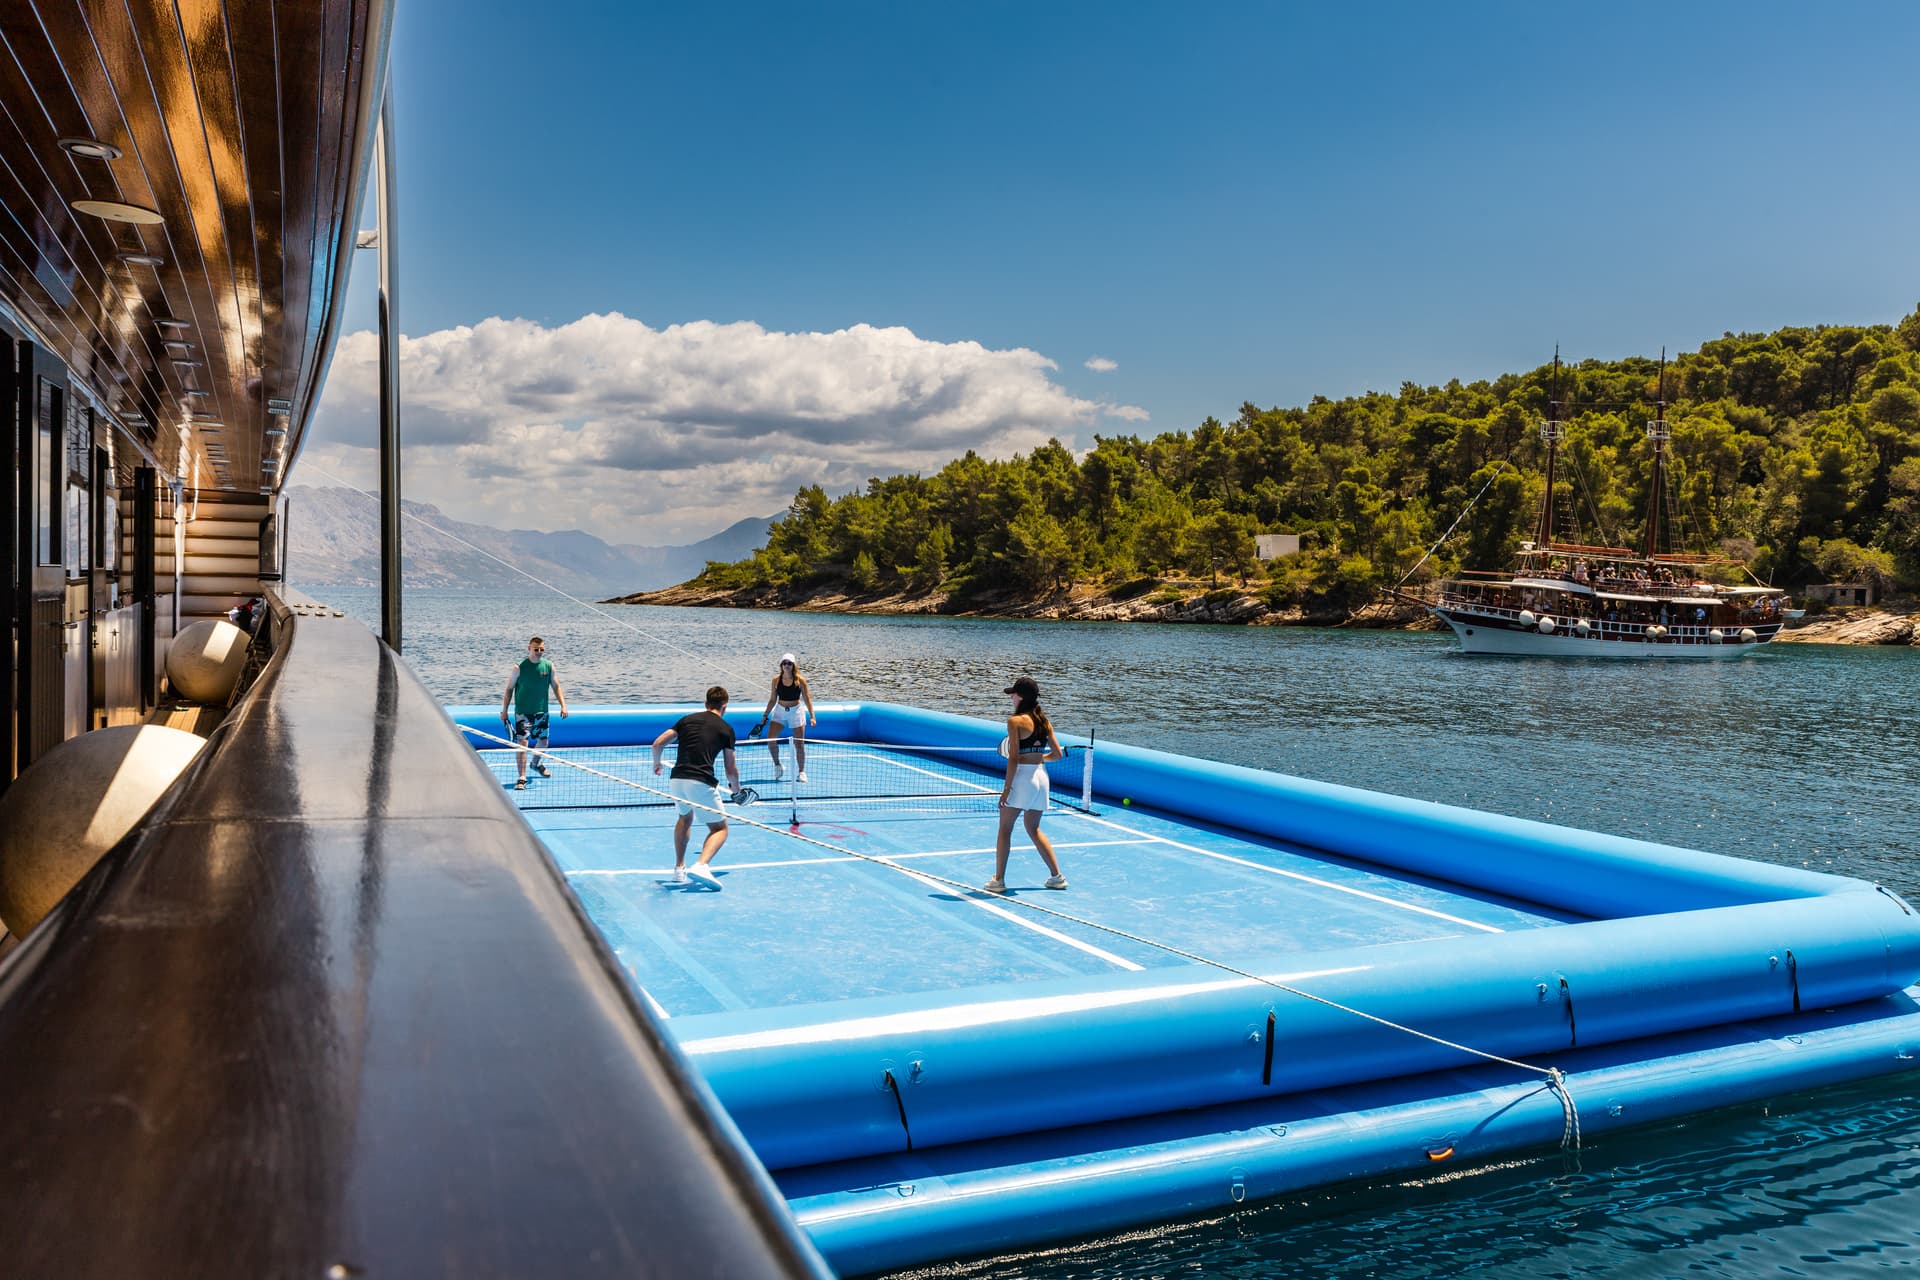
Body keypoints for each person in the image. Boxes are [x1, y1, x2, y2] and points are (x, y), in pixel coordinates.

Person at [653, 686, 740, 890]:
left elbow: (657, 744)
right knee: (719, 829)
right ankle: (701, 865)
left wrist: (657, 763)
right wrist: (736, 790)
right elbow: (731, 769)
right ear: (724, 706)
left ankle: (679, 870)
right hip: (700, 781)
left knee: (685, 818)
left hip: (677, 780)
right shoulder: (726, 729)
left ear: (706, 704)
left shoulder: (686, 720)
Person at [986, 676, 1068, 893]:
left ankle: (999, 880)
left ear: (1020, 697)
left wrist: (1005, 791)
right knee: (1033, 828)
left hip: (1022, 779)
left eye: (1013, 694)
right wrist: (1039, 758)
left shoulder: (1015, 722)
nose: (1011, 697)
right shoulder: (1044, 721)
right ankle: (1057, 876)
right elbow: (1057, 754)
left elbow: (1013, 759)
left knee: (1005, 829)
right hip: (1041, 778)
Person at [500, 636, 569, 790]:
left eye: (541, 649)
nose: (539, 652)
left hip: (541, 712)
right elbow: (509, 689)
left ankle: (535, 764)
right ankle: (522, 777)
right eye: (536, 649)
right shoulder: (519, 668)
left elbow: (556, 686)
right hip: (523, 713)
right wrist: (504, 711)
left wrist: (563, 705)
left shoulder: (549, 666)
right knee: (523, 744)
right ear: (529, 648)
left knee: (543, 742)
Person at [759, 653, 816, 782]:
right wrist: (765, 715)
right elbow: (772, 699)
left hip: (796, 712)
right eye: (784, 663)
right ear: (781, 665)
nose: (786, 665)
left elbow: (807, 699)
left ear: (793, 665)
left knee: (799, 744)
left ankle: (801, 772)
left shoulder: (800, 680)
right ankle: (777, 765)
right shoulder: (775, 680)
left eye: (789, 663)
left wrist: (812, 717)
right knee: (771, 740)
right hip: (780, 711)